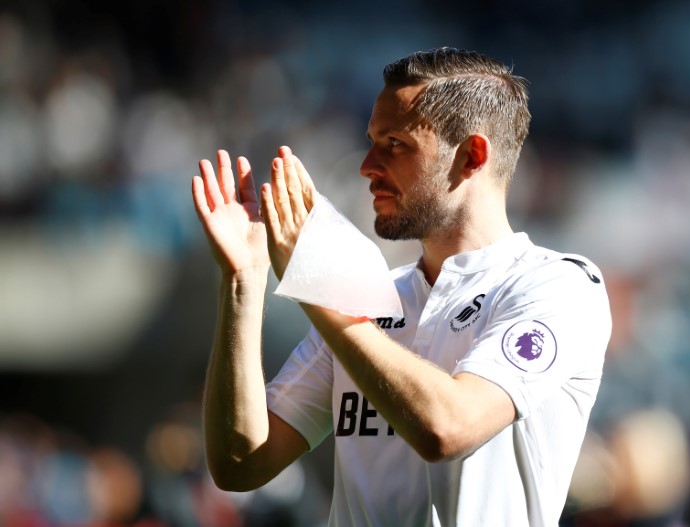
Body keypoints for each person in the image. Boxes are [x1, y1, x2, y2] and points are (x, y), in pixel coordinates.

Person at [191, 47, 612, 527]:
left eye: (394, 143)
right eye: (371, 141)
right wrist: (244, 281)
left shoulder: (557, 285)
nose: (367, 165)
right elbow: (241, 464)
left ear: (471, 155)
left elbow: (447, 429)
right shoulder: (361, 297)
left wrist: (316, 287)